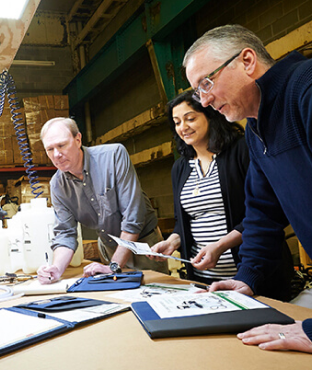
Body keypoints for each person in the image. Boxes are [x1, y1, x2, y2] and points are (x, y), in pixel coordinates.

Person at [183, 24, 312, 353]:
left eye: (206, 83)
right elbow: (262, 214)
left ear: (248, 61)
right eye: (198, 91)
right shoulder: (256, 131)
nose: (206, 100)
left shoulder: (305, 90)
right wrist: (248, 277)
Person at [150, 91, 293, 300]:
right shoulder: (180, 168)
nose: (183, 127)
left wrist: (221, 245)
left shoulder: (241, 150)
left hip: (250, 278)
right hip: (204, 280)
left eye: (190, 118)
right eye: (177, 122)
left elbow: (264, 213)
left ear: (210, 115)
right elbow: (184, 221)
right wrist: (172, 241)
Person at [36, 117, 168, 284]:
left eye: (61, 145)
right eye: (50, 149)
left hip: (143, 246)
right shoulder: (57, 185)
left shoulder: (113, 156)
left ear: (78, 140)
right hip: (109, 247)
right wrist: (56, 268)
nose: (56, 154)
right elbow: (65, 233)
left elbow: (133, 217)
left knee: (154, 296)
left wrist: (114, 266)